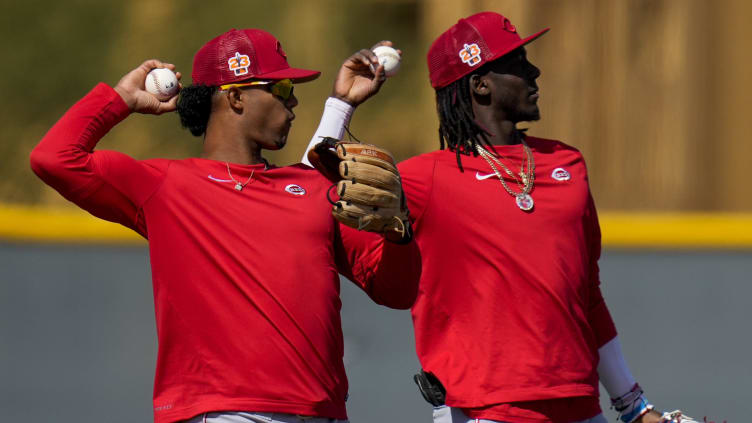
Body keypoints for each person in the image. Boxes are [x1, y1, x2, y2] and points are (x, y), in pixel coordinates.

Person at [302, 12, 697, 423]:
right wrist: (341, 104)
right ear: (481, 84)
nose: (534, 72)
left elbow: (588, 297)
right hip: (482, 412)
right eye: (518, 63)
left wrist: (634, 407)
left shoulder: (567, 164)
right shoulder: (427, 177)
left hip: (581, 408)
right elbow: (304, 194)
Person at [30, 28, 419, 423]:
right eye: (282, 88)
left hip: (322, 413)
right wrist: (122, 99)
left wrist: (399, 232)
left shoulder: (311, 187)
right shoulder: (167, 186)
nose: (294, 101)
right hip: (223, 413)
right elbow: (54, 158)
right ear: (235, 96)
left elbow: (395, 291)